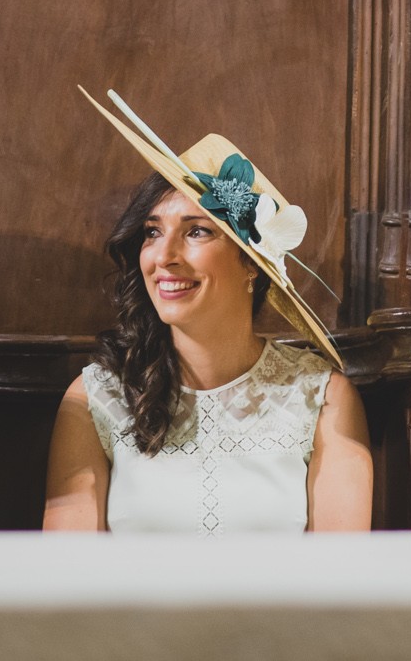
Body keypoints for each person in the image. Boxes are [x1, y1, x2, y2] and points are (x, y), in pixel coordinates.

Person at [43, 90, 370, 533]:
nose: (164, 257)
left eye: (196, 231)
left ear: (252, 265)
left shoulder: (322, 397)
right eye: (152, 232)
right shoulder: (94, 397)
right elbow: (68, 569)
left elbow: (341, 569)